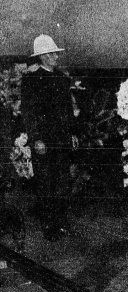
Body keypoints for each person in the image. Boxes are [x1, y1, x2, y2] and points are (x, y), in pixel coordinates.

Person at [20, 34, 77, 241]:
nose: (56, 57)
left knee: (62, 181)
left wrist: (72, 133)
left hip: (62, 138)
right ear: (42, 56)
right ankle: (49, 226)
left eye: (56, 53)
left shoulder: (62, 79)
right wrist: (36, 139)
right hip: (43, 140)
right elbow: (29, 112)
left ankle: (61, 222)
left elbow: (68, 110)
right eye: (52, 53)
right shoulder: (31, 80)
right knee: (46, 182)